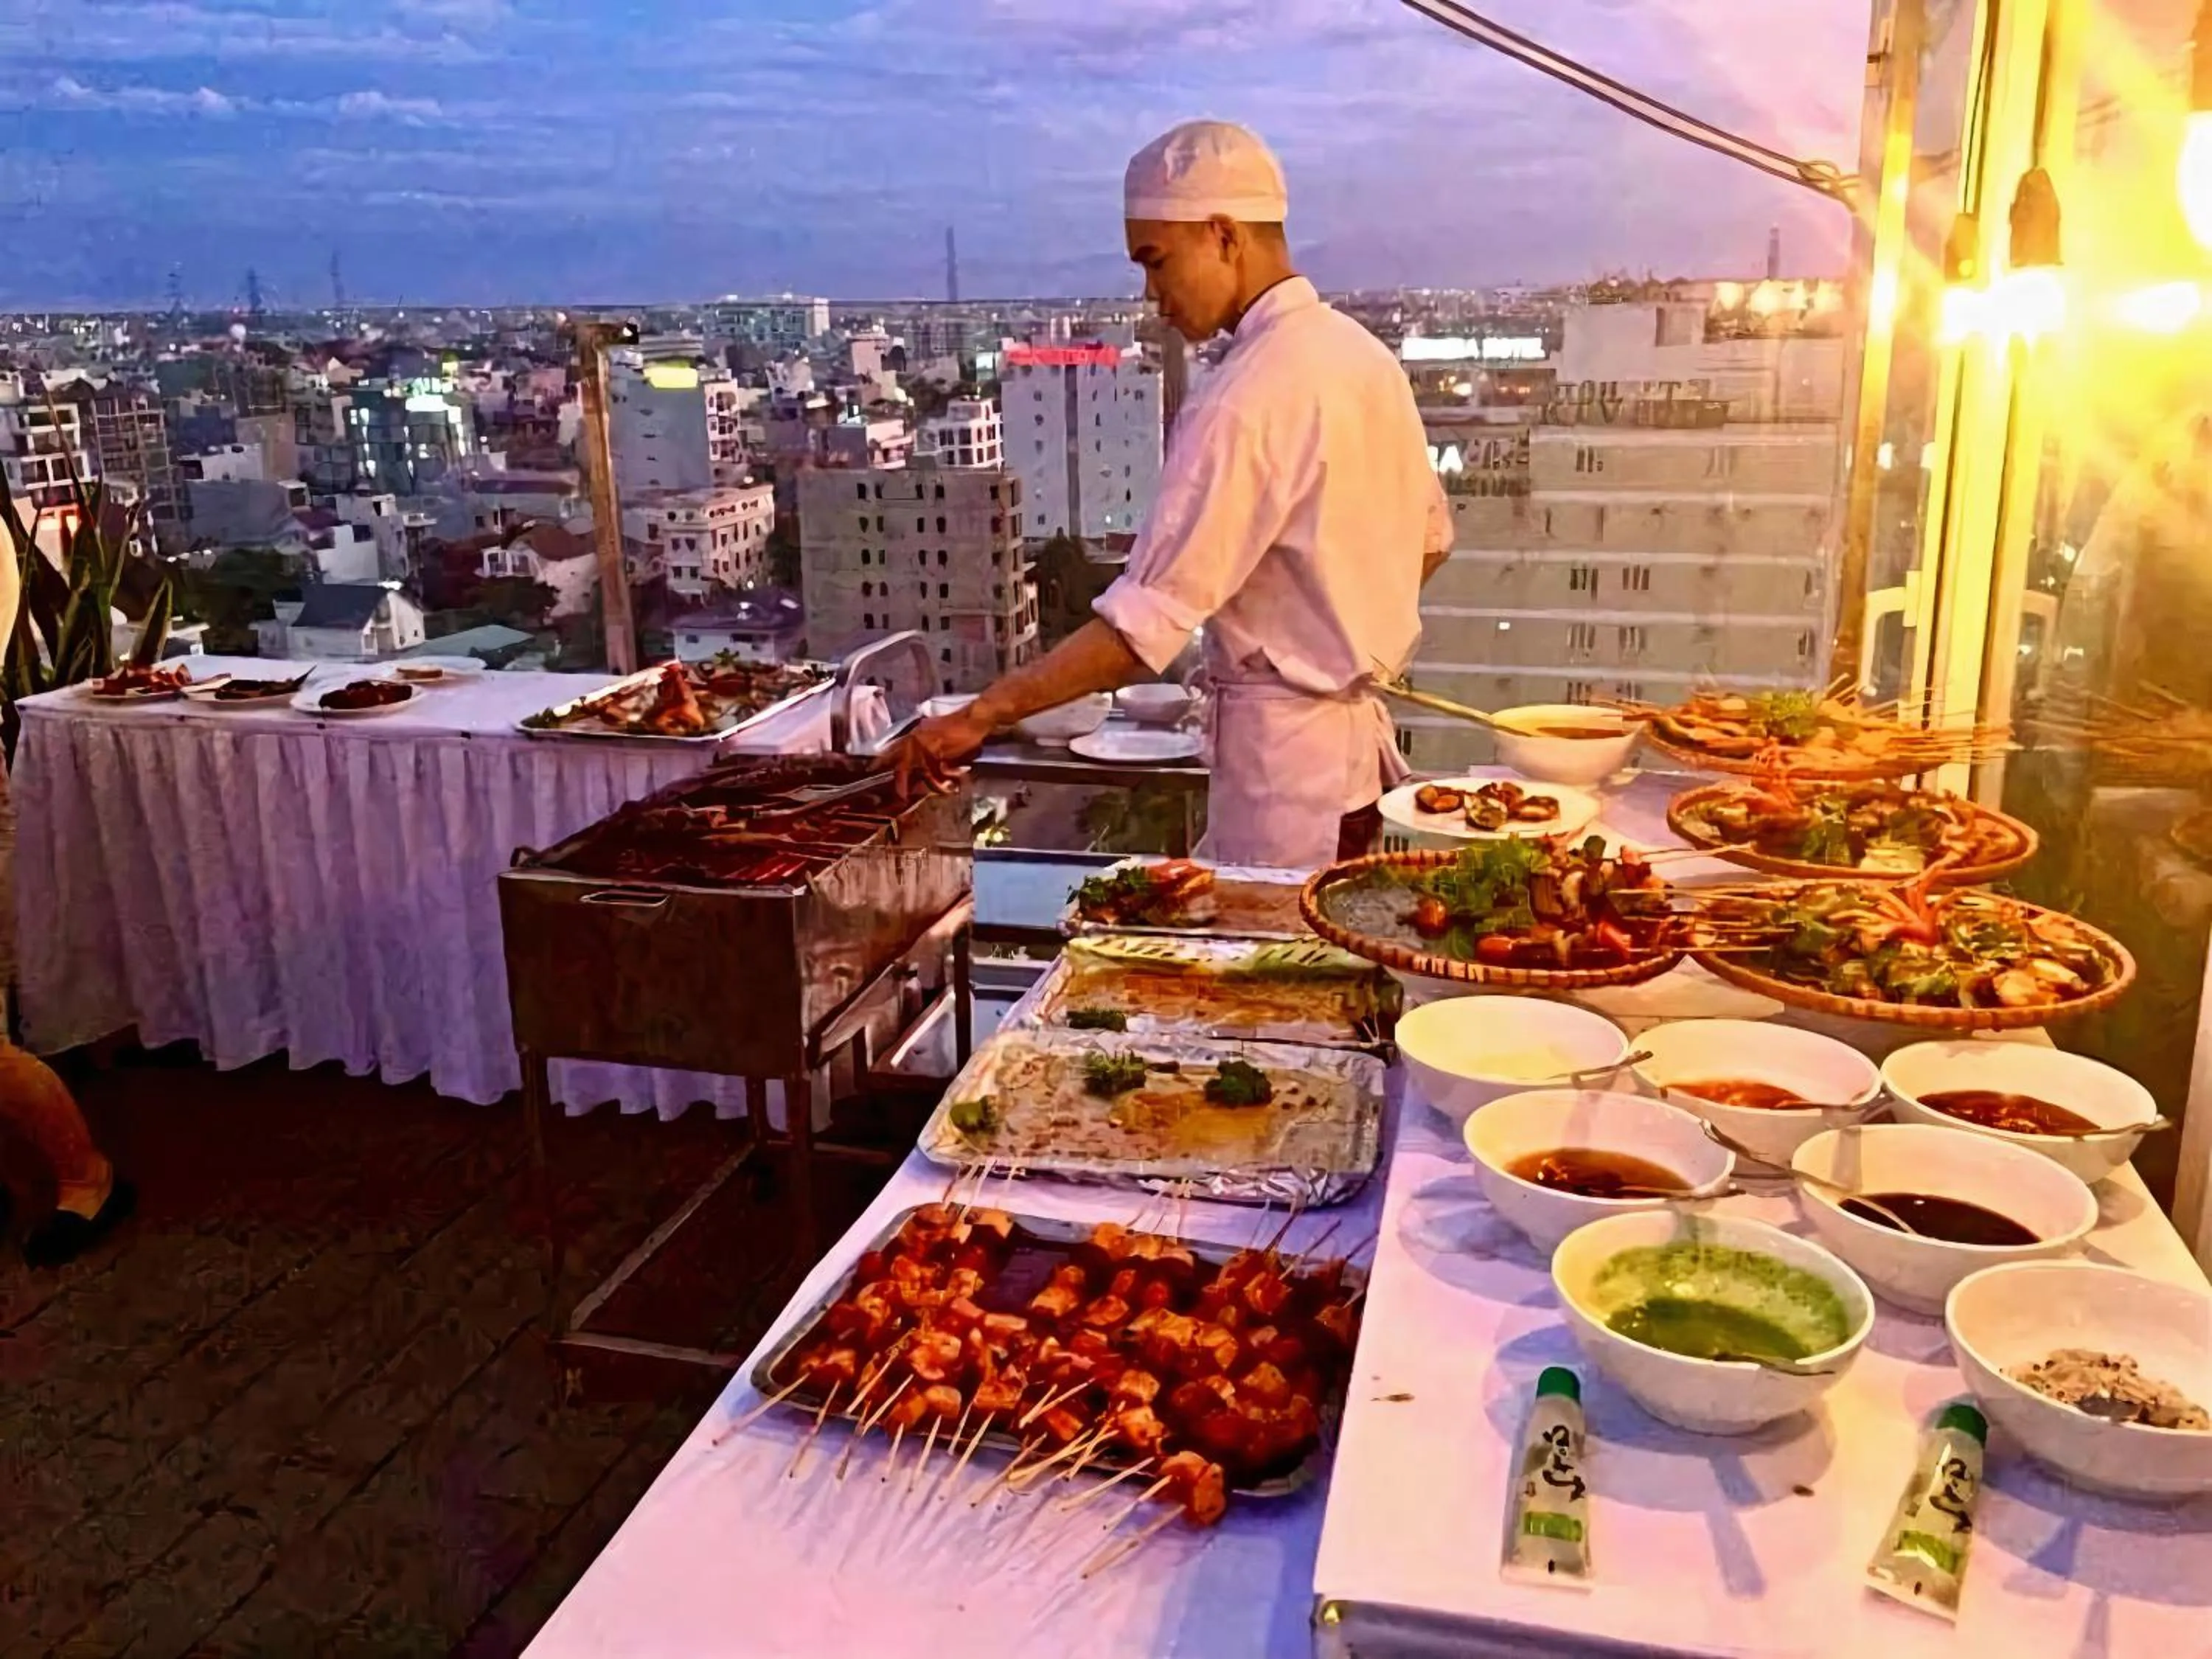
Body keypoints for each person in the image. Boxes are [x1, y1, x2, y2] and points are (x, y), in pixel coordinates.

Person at [890, 119, 1450, 869]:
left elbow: (1138, 632)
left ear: (1223, 235)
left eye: (1156, 261)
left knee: (1273, 944)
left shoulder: (1246, 394)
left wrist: (980, 714)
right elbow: (1430, 544)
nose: (1152, 295)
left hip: (1285, 783)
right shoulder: (1363, 357)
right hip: (1351, 776)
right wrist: (1330, 623)